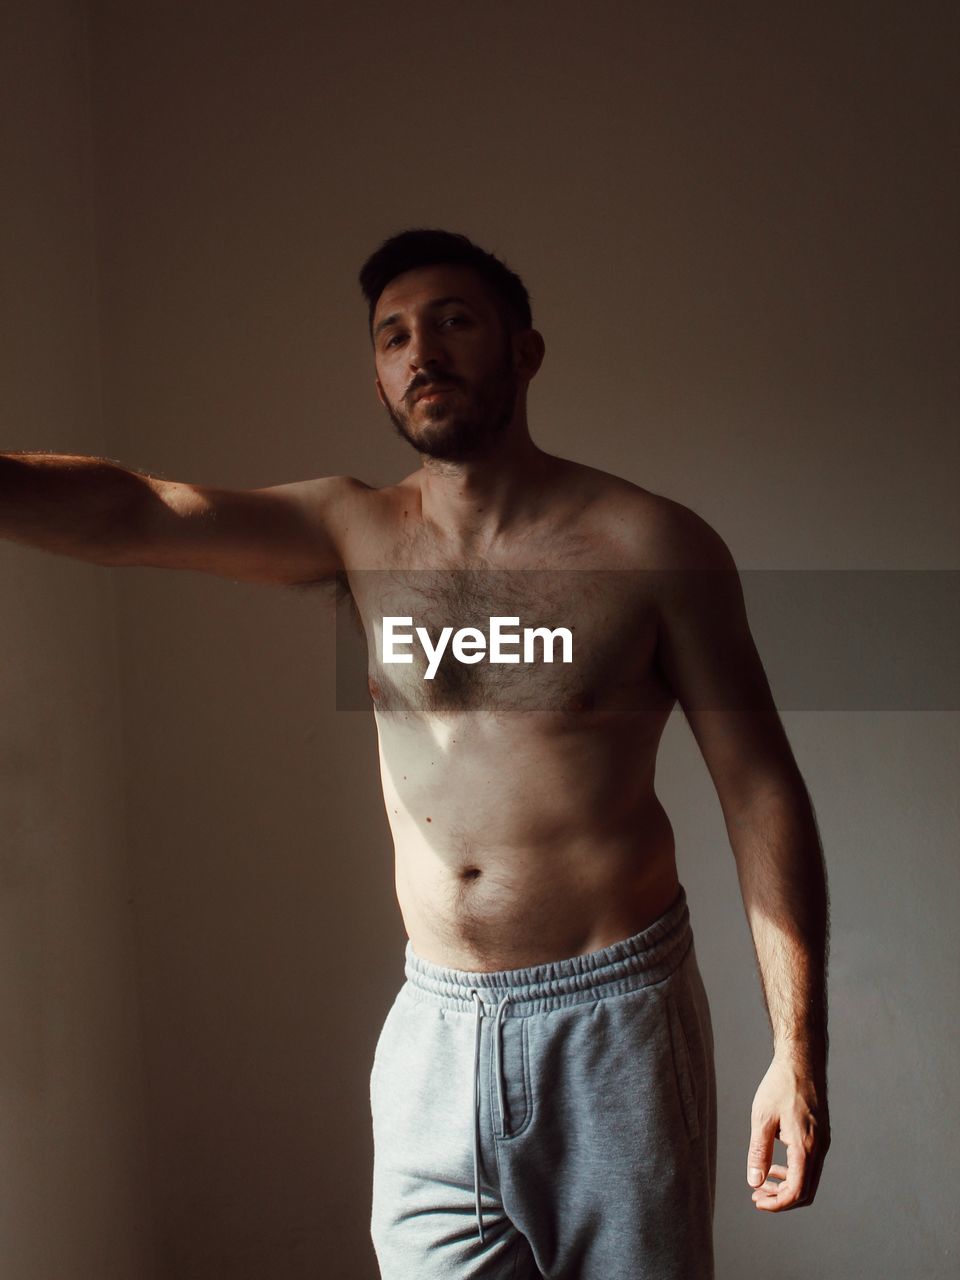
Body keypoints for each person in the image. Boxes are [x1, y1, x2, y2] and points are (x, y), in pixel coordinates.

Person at [1, 228, 830, 1278]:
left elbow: (761, 793)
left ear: (525, 353)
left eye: (453, 321)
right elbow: (138, 512)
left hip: (611, 1019)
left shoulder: (651, 545)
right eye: (392, 335)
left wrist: (797, 1055)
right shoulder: (357, 530)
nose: (420, 352)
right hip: (436, 1027)